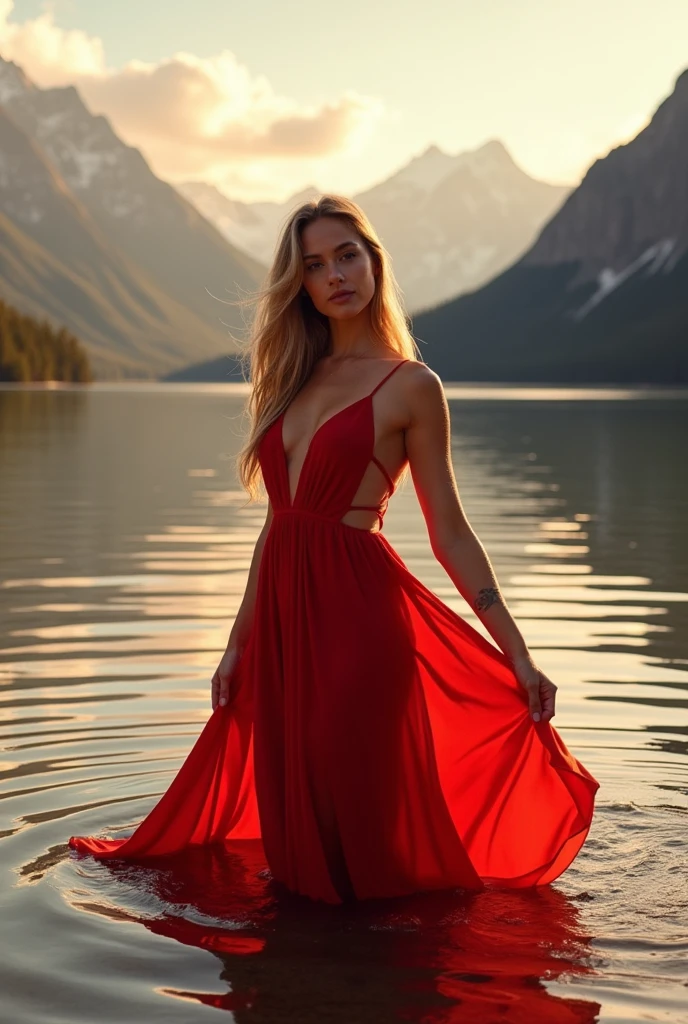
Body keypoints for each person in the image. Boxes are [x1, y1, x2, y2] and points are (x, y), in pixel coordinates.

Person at [69, 195, 599, 903]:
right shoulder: (290, 379)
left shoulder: (412, 386)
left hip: (361, 622)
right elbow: (277, 526)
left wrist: (518, 653)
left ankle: (392, 975)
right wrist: (237, 644)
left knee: (360, 822)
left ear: (373, 260)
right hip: (285, 629)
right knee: (297, 827)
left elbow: (451, 533)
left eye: (346, 254)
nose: (335, 275)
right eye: (314, 265)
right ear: (302, 286)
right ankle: (317, 978)